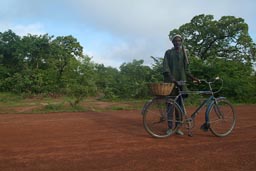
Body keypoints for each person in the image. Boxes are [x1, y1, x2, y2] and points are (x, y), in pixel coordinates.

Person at [163, 34, 200, 136]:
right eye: (175, 41)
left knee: (179, 106)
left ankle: (178, 127)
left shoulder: (184, 53)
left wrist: (194, 78)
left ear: (181, 42)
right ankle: (170, 128)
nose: (177, 42)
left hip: (181, 83)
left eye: (179, 41)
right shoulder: (168, 53)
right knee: (170, 106)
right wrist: (173, 79)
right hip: (170, 83)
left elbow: (187, 70)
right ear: (172, 42)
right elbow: (166, 68)